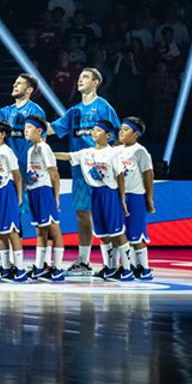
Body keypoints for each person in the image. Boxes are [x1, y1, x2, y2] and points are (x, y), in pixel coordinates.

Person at [50, 68, 120, 277]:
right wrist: (30, 124)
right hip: (80, 172)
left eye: (85, 77)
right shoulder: (74, 111)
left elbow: (117, 136)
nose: (80, 80)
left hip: (102, 173)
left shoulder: (103, 107)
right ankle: (84, 261)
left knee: (106, 215)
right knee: (82, 213)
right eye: (79, 77)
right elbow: (53, 129)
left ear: (96, 82)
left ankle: (114, 263)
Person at [55, 120, 133, 281]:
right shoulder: (86, 152)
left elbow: (120, 177)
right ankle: (109, 267)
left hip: (110, 193)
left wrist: (122, 199)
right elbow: (68, 156)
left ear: (108, 135)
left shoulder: (113, 153)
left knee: (117, 232)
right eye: (93, 130)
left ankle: (127, 269)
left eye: (98, 131)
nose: (93, 133)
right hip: (96, 193)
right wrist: (49, 154)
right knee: (103, 234)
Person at [0, 74, 47, 228]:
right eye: (14, 83)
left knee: (37, 212)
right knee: (13, 211)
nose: (14, 85)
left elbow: (42, 140)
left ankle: (44, 248)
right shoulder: (7, 111)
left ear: (29, 90)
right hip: (9, 169)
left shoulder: (35, 110)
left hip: (28, 170)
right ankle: (15, 249)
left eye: (19, 83)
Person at [23, 117, 66, 281]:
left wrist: (55, 197)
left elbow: (54, 174)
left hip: (45, 191)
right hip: (34, 192)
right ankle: (40, 267)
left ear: (39, 131)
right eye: (25, 127)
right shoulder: (30, 150)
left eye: (29, 127)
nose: (25, 130)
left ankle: (58, 269)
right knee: (40, 231)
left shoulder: (44, 148)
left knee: (54, 230)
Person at [0, 121, 27, 282]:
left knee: (12, 231)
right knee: (0, 232)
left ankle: (20, 270)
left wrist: (19, 197)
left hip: (7, 192)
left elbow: (17, 175)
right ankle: (6, 268)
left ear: (2, 135)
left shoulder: (7, 151)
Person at [116, 117, 156, 281]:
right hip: (120, 196)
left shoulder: (140, 151)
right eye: (121, 128)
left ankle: (145, 268)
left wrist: (148, 199)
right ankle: (130, 266)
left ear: (136, 134)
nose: (121, 132)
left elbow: (148, 175)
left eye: (126, 129)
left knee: (136, 234)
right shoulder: (117, 150)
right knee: (122, 233)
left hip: (135, 197)